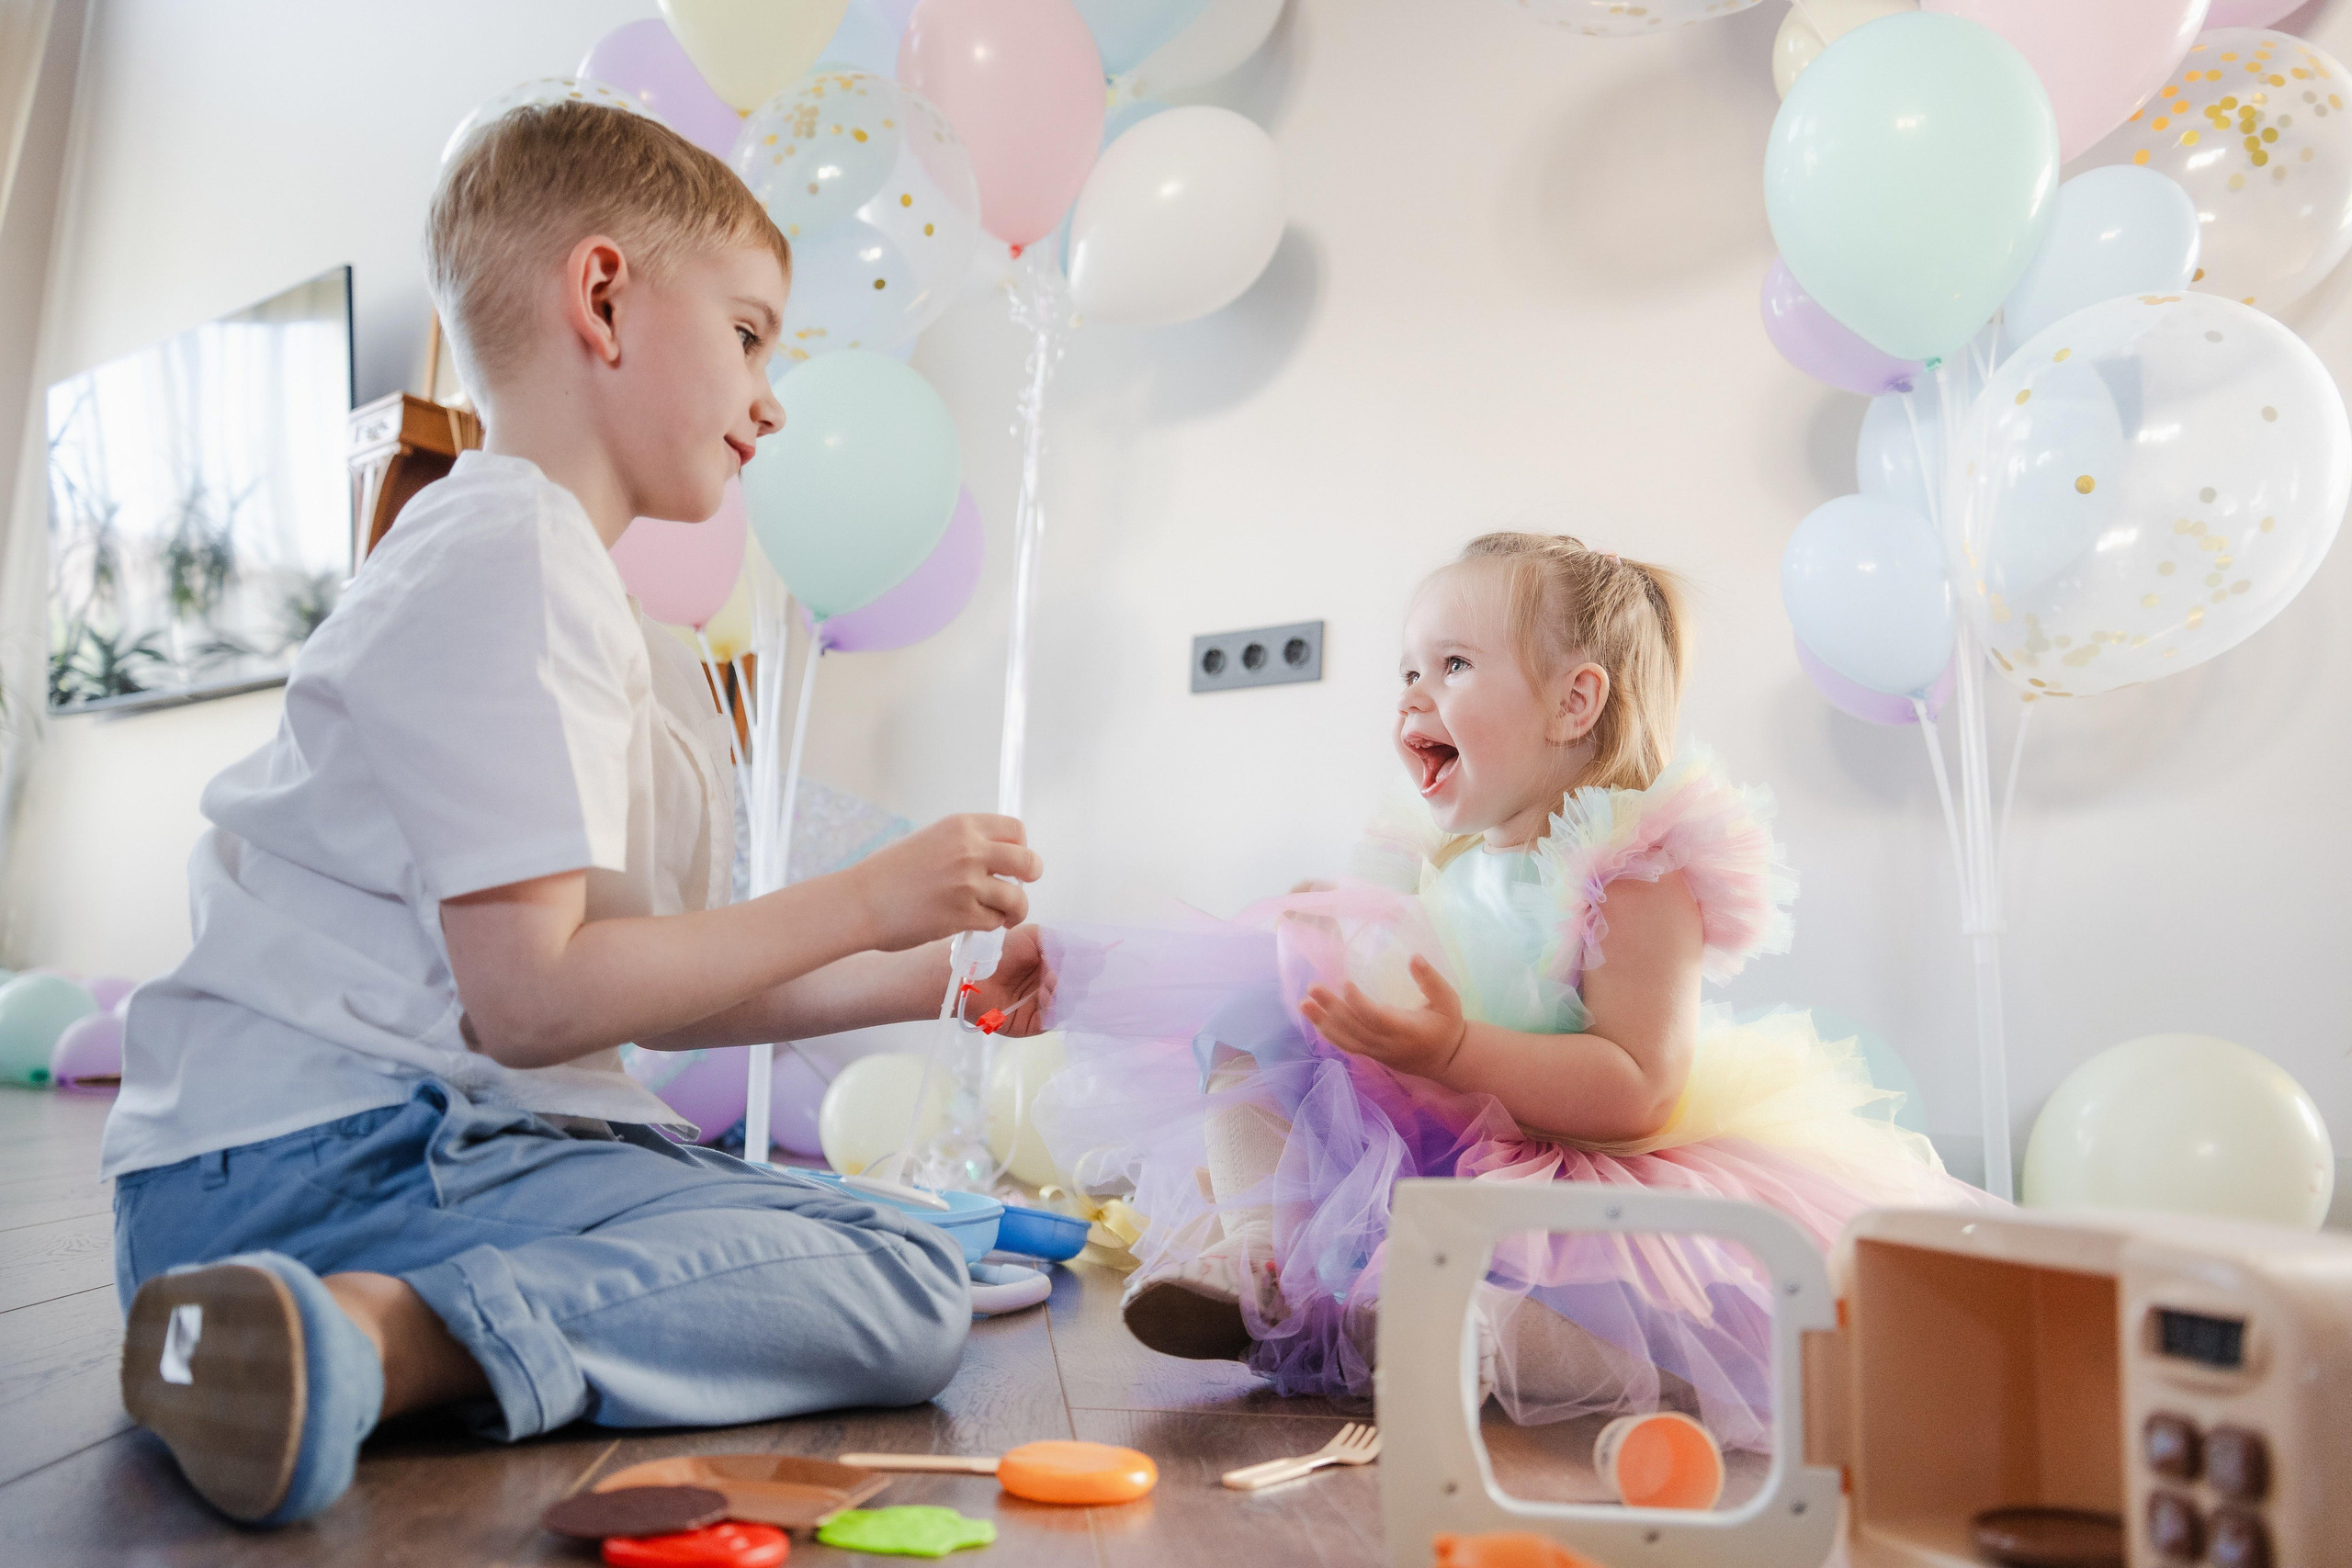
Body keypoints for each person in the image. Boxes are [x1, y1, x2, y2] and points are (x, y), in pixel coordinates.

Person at [103, 100, 1051, 1528]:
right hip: (328, 1163)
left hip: (315, 1162)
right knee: (906, 1280)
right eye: (749, 335)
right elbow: (535, 1001)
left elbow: (639, 989)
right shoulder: (513, 550)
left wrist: (936, 976)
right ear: (603, 297)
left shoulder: (563, 585)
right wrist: (866, 895)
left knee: (899, 1251)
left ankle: (324, 1326)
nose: (772, 400)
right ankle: (370, 1333)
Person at [1035, 532, 1985, 1451]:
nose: (1413, 694)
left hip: (1578, 1167)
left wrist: (1453, 1051)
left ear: (1573, 703)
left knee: (1603, 1302)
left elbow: (1638, 1089)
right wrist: (1333, 963)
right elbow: (1382, 987)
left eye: (1452, 665)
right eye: (1408, 670)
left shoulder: (1635, 870)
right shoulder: (1436, 855)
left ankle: (1482, 1339)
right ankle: (1257, 1259)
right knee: (1251, 1017)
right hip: (1436, 1139)